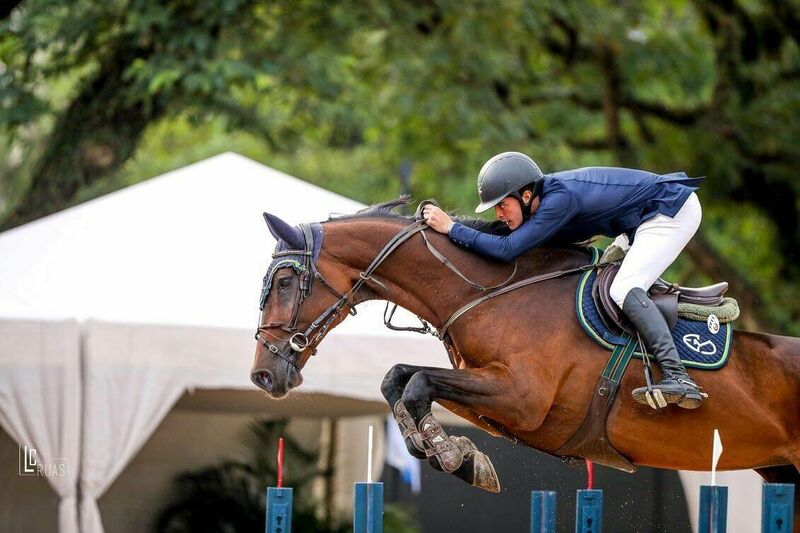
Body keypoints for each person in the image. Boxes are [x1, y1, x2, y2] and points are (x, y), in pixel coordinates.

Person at [422, 151, 705, 409]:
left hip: (670, 211)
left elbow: (508, 250)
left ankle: (678, 377)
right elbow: (510, 240)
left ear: (525, 195)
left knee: (623, 288)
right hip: (639, 222)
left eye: (502, 205)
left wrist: (453, 228)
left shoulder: (559, 200)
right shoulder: (545, 201)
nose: (498, 214)